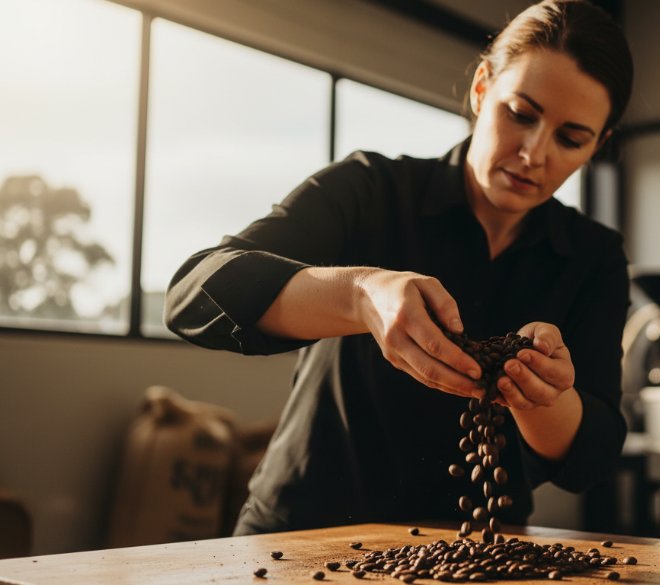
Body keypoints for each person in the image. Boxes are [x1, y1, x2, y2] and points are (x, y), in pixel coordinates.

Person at [165, 0, 634, 535]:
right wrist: (359, 294)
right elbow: (194, 293)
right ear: (482, 89)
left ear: (599, 144)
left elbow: (592, 458)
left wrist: (544, 397)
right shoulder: (367, 190)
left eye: (571, 138)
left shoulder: (594, 257)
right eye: (520, 114)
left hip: (482, 550)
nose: (533, 153)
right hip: (303, 535)